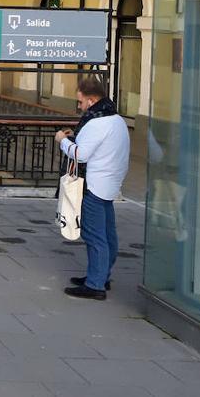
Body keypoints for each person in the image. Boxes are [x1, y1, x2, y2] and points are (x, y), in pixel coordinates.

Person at [56, 76, 129, 300]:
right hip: (109, 184)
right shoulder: (116, 119)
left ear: (91, 100)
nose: (79, 106)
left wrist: (62, 140)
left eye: (81, 102)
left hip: (94, 186)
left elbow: (81, 154)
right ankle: (100, 275)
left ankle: (95, 285)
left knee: (94, 236)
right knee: (108, 234)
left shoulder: (96, 123)